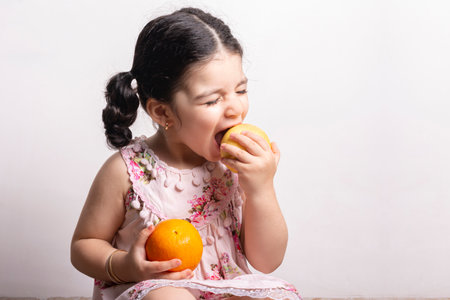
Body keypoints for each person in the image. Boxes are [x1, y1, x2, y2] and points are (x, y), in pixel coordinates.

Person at [71, 7, 301, 300]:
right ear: (162, 111)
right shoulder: (126, 171)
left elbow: (267, 261)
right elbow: (84, 244)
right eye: (212, 100)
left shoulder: (236, 166)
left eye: (240, 91)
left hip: (222, 289)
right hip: (153, 289)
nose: (235, 108)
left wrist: (261, 188)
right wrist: (125, 265)